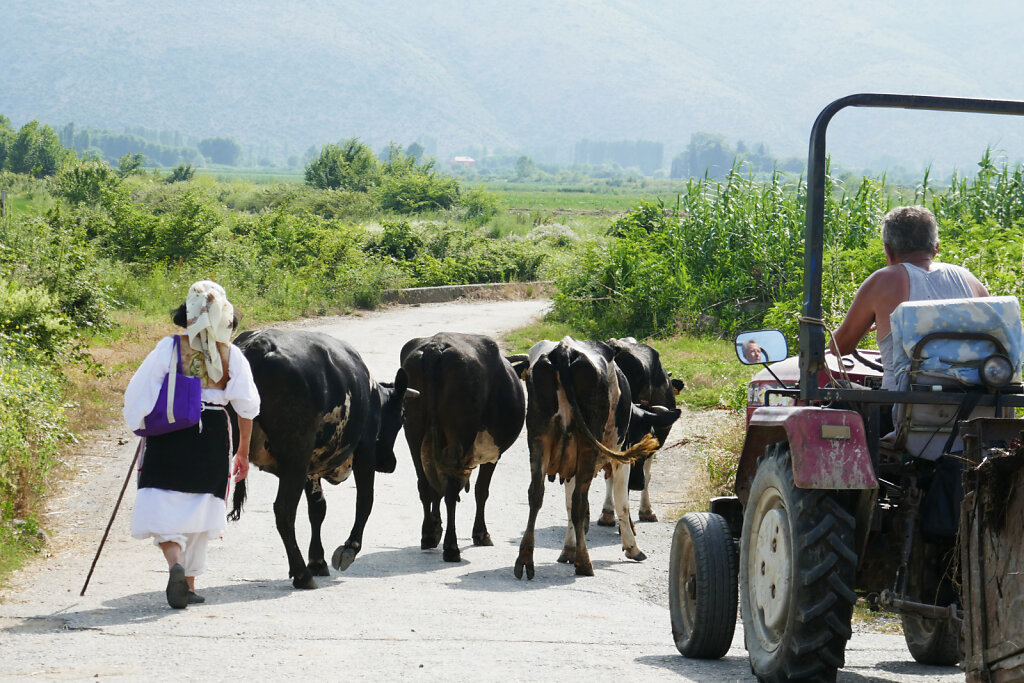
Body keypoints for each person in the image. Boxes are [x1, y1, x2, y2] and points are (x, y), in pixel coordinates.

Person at [123, 281, 260, 609]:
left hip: (170, 432)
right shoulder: (231, 355)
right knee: (200, 510)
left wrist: (140, 422)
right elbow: (247, 407)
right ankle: (189, 584)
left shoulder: (168, 348)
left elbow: (138, 394)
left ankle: (175, 567)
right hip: (211, 436)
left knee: (163, 504)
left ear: (187, 313)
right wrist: (242, 451)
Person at [830, 205, 988, 389]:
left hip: (904, 406)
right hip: (973, 403)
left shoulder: (884, 280)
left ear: (888, 250)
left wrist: (865, 326)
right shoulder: (969, 279)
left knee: (836, 388)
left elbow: (839, 347)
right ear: (935, 248)